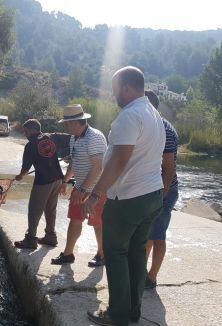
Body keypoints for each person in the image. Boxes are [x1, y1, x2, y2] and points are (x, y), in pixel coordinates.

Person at [83, 66, 165, 326]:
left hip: (129, 198)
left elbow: (119, 160)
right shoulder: (154, 114)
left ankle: (118, 314)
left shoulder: (129, 116)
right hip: (152, 195)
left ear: (126, 88)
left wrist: (95, 194)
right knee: (136, 253)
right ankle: (133, 311)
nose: (113, 95)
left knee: (115, 251)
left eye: (114, 89)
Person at [50, 104, 108, 267]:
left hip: (97, 190)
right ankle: (68, 254)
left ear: (76, 122)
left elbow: (98, 168)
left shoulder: (94, 137)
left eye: (67, 124)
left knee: (97, 222)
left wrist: (83, 190)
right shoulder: (74, 138)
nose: (66, 127)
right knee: (75, 219)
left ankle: (102, 254)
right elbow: (74, 162)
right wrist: (65, 181)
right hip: (81, 188)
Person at [144, 90, 179, 289]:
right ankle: (143, 272)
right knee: (149, 233)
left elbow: (168, 168)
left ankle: (151, 277)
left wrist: (161, 196)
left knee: (158, 235)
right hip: (152, 189)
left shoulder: (164, 129)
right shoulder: (150, 125)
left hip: (163, 190)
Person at [14, 119, 64, 250]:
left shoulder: (31, 145)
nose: (25, 134)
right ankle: (50, 237)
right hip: (57, 178)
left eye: (25, 131)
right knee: (50, 209)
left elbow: (25, 167)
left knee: (34, 210)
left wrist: (20, 176)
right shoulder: (51, 137)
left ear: (32, 130)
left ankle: (31, 239)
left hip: (43, 182)